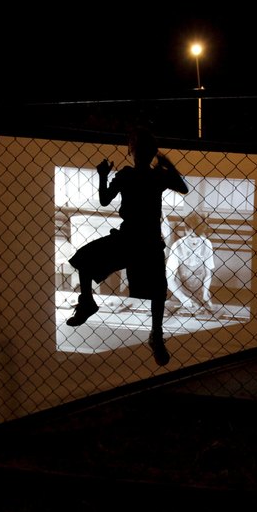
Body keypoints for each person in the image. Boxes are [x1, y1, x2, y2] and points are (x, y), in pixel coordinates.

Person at [66, 127, 189, 366]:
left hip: (129, 238)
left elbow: (104, 200)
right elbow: (183, 188)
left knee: (85, 259)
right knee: (157, 292)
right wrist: (168, 165)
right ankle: (157, 335)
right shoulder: (156, 176)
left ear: (130, 150)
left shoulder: (126, 175)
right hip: (148, 241)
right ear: (152, 151)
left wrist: (102, 174)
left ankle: (87, 301)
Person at [166, 212, 216, 316]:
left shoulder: (206, 244)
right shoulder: (177, 247)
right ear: (186, 230)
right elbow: (169, 279)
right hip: (179, 295)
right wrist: (182, 298)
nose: (195, 241)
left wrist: (205, 292)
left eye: (198, 237)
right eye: (191, 237)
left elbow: (208, 274)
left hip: (200, 296)